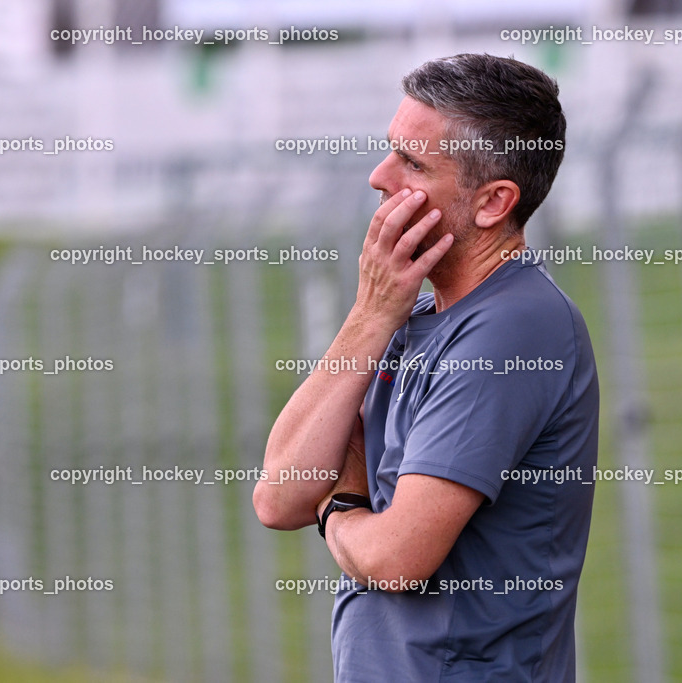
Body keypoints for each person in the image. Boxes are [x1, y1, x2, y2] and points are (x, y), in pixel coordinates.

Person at [253, 53, 599, 682]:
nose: (379, 178)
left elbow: (395, 560)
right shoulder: (404, 313)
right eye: (390, 151)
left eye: (412, 163)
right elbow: (280, 494)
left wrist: (342, 508)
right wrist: (368, 314)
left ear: (494, 202)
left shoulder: (514, 327)